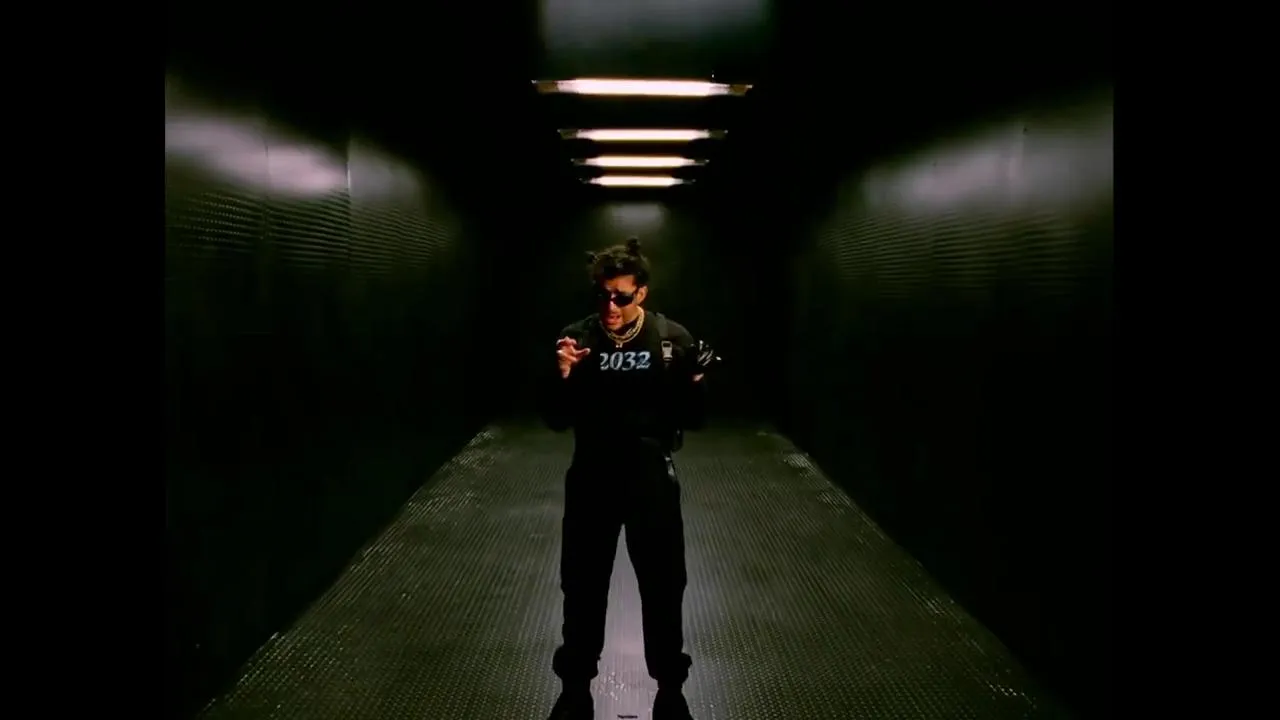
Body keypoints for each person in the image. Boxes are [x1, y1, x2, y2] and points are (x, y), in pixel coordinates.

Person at [541, 237, 720, 720]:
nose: (610, 306)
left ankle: (670, 686)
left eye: (621, 296)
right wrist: (561, 375)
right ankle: (575, 685)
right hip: (592, 477)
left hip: (650, 480)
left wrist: (697, 381)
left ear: (641, 292)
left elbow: (696, 419)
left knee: (664, 584)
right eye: (602, 295)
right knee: (582, 585)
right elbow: (555, 419)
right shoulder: (577, 339)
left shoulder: (669, 339)